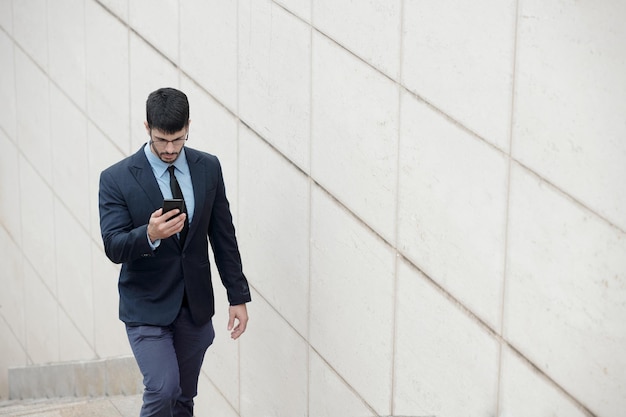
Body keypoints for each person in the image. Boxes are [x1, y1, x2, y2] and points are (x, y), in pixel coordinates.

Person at [98, 87, 251, 417]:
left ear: (188, 127)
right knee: (163, 389)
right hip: (146, 305)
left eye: (178, 139)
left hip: (193, 307)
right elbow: (113, 245)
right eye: (161, 139)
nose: (170, 149)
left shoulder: (207, 167)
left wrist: (237, 296)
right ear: (147, 127)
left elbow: (223, 235)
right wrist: (149, 234)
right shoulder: (116, 179)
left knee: (183, 397)